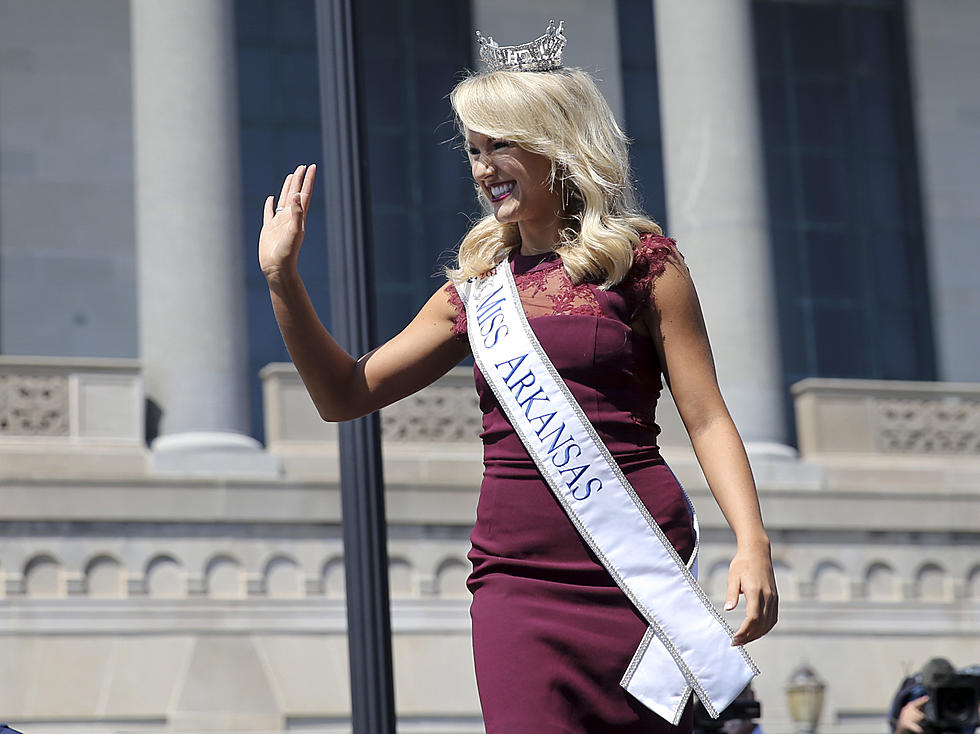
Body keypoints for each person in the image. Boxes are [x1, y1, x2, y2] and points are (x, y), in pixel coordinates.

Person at [258, 22, 777, 734]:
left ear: (558, 145)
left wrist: (752, 542)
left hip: (637, 573)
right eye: (473, 150)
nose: (482, 167)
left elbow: (708, 417)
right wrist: (283, 280)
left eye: (499, 144)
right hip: (518, 582)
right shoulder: (474, 291)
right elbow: (344, 394)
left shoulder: (645, 265)